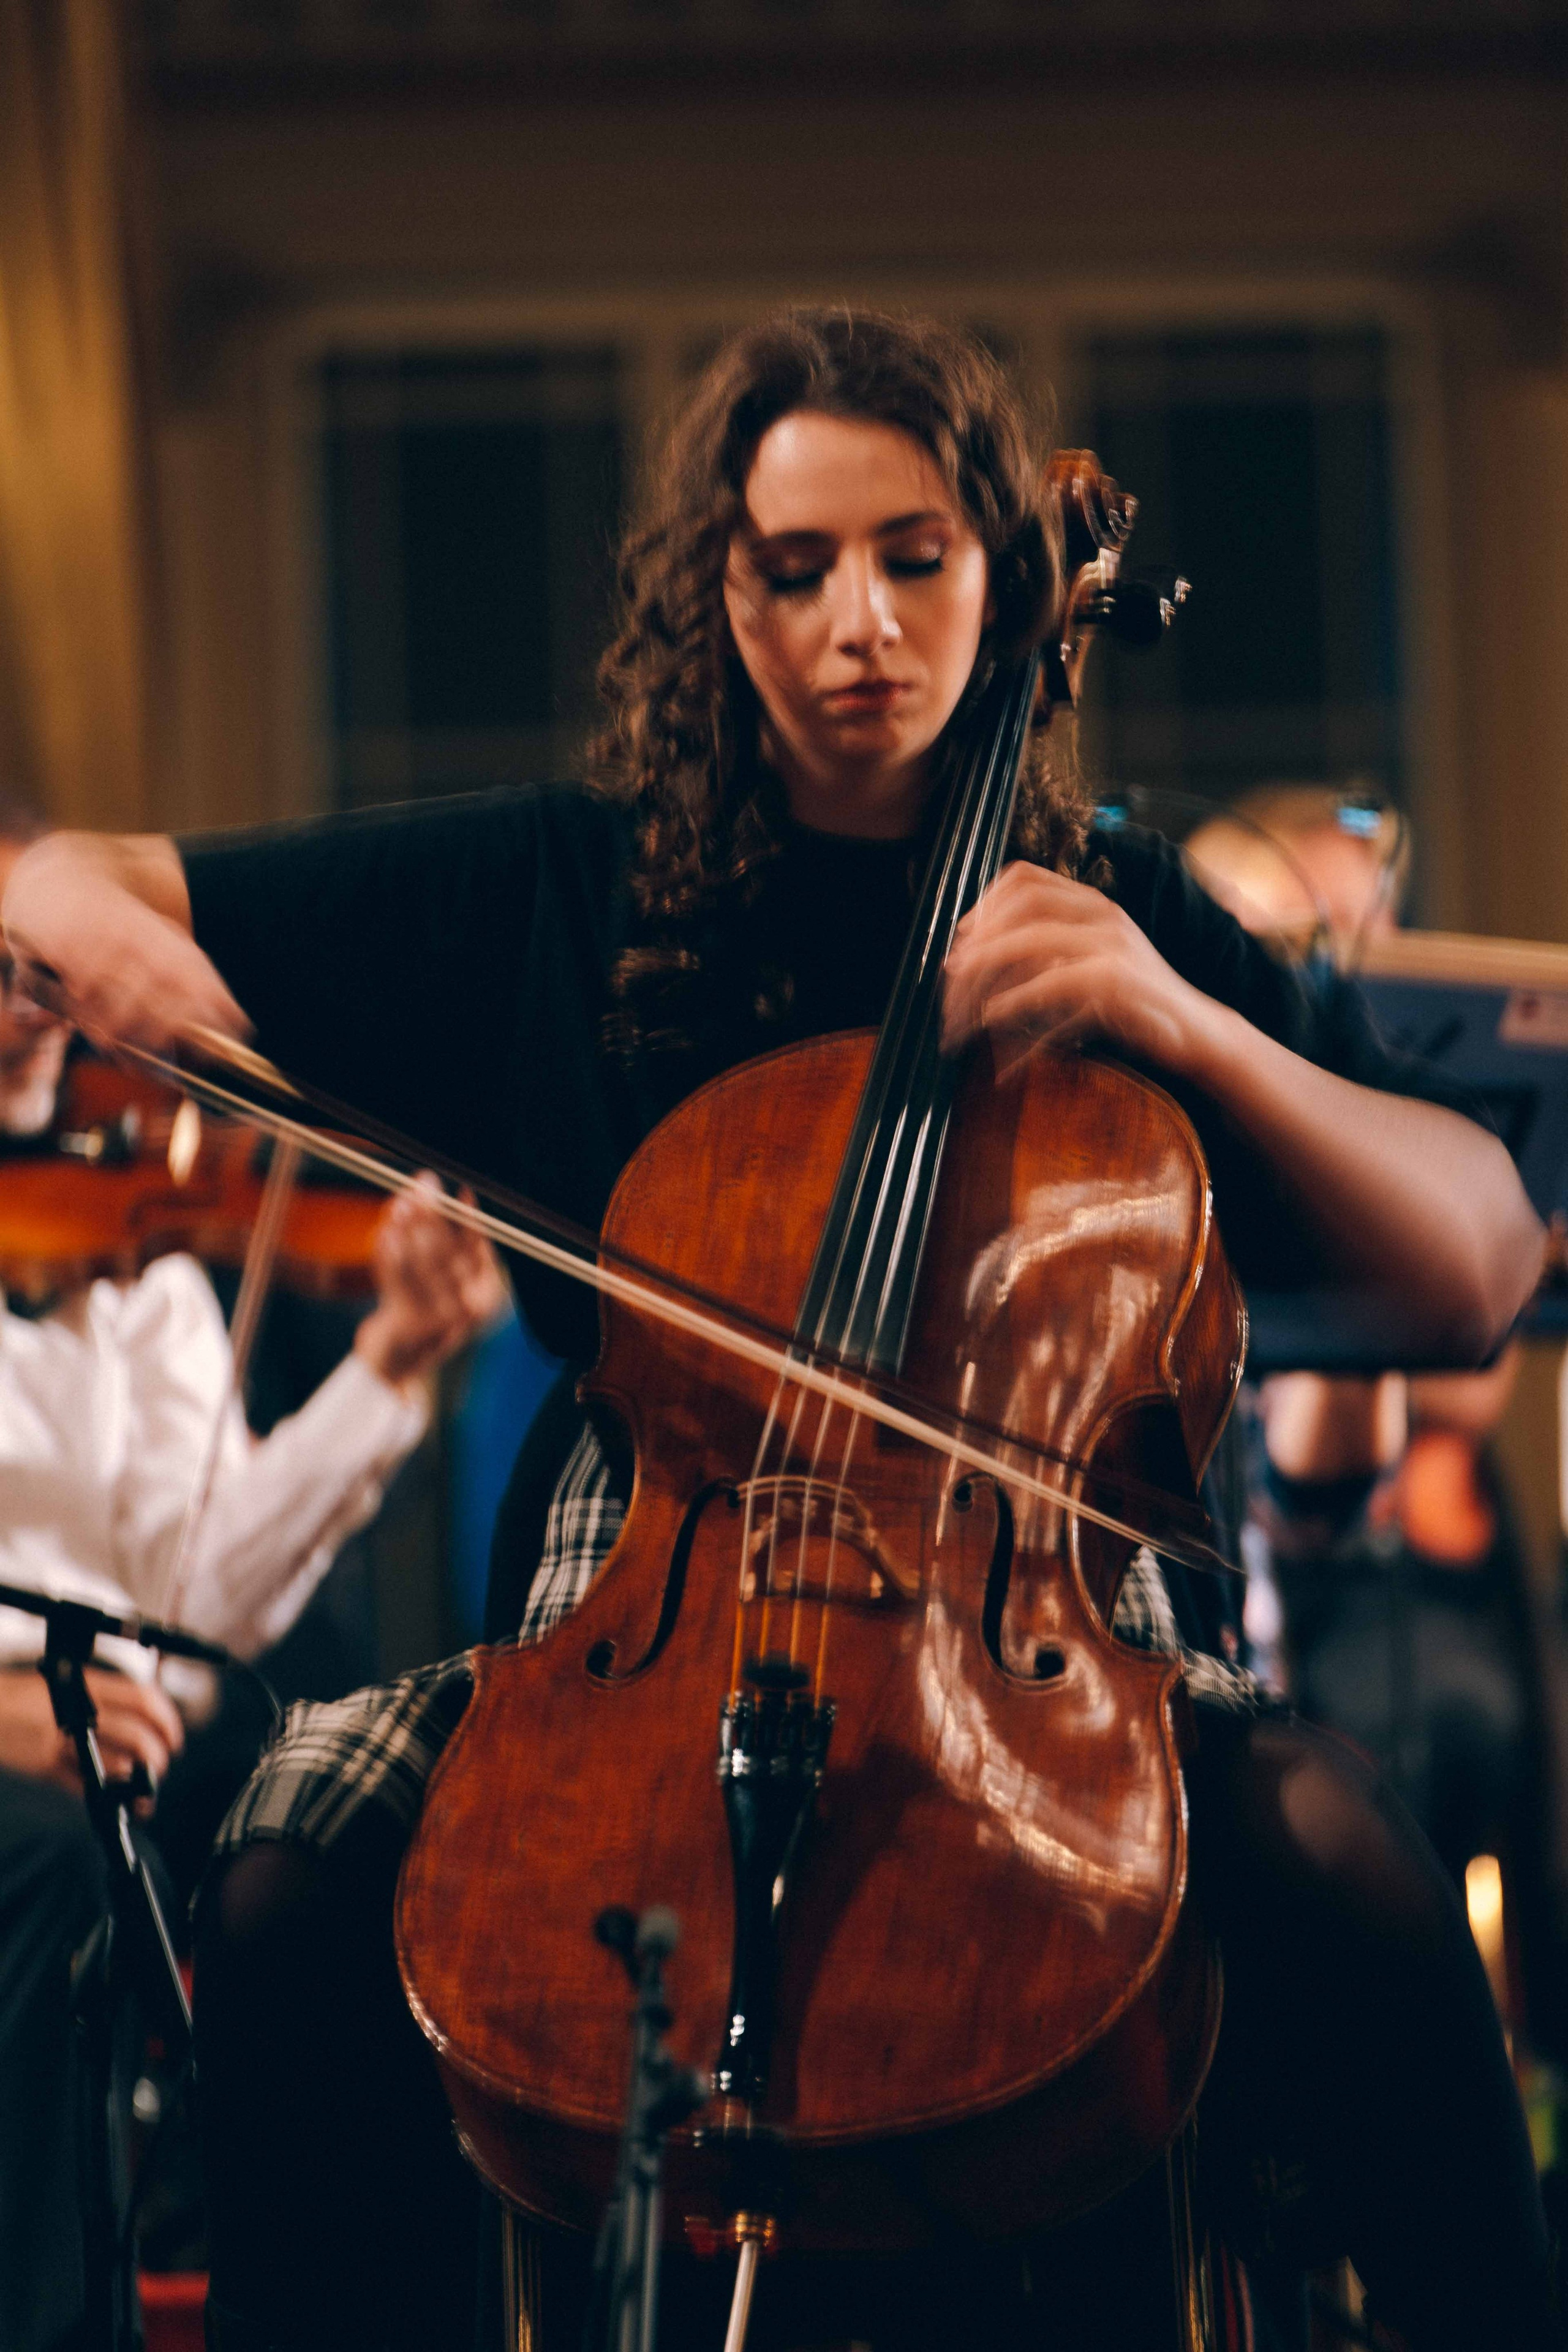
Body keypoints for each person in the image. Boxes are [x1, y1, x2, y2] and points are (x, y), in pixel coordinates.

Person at [1, 311, 1556, 2352]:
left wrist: (1184, 1030)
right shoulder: (571, 887)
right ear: (714, 591)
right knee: (294, 1872)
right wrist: (79, 908)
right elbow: (71, 881)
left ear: (999, 571)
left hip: (1042, 1662)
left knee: (1350, 1866)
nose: (860, 624)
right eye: (794, 565)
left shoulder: (1110, 908)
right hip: (625, 1632)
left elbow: (1483, 1253)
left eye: (916, 556)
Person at [0, 809, 506, 2352]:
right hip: (33, 1780)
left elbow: (202, 1591)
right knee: (48, 1862)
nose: (31, 994)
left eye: (45, 961)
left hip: (129, 1757)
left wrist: (389, 1365)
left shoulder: (133, 1263)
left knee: (358, 1849)